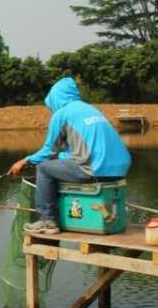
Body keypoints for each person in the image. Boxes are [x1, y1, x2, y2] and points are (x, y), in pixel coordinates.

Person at [8, 77, 131, 234]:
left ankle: (48, 221)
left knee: (44, 168)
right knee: (56, 164)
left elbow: (48, 151)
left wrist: (24, 161)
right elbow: (83, 149)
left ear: (55, 98)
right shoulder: (90, 109)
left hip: (95, 168)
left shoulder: (62, 114)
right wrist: (62, 156)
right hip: (119, 170)